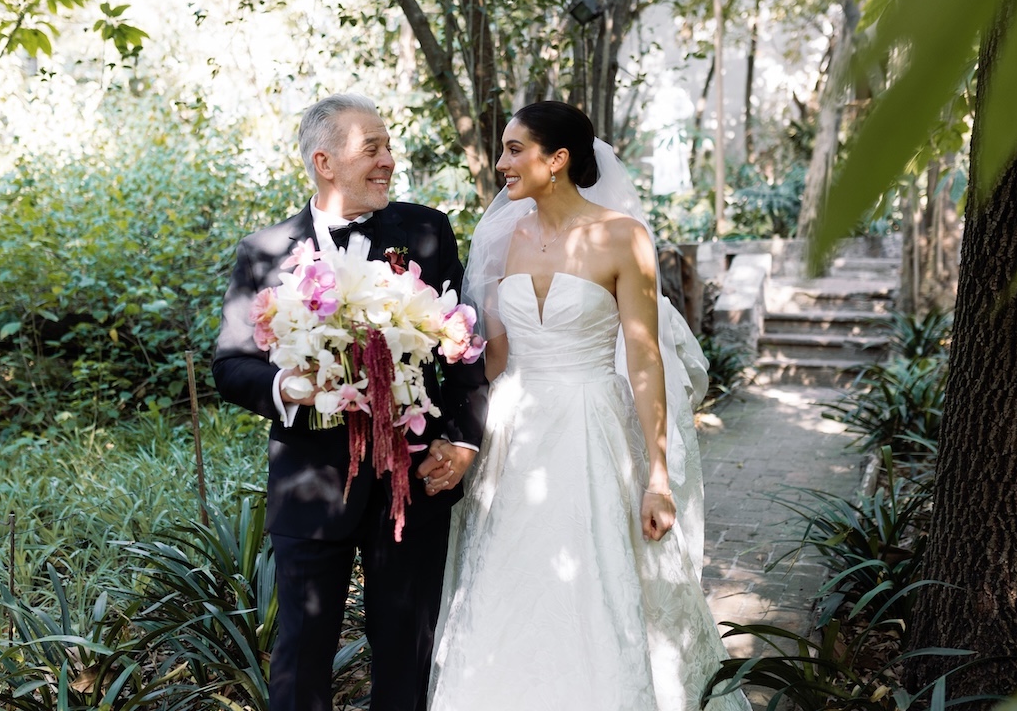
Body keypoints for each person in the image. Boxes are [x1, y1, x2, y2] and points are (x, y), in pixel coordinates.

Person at [428, 101, 751, 711]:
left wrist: (658, 478)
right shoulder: (505, 236)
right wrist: (433, 400)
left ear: (559, 159)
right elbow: (493, 357)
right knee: (511, 579)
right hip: (515, 434)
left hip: (590, 428)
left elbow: (646, 361)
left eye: (515, 149)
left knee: (597, 575)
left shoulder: (623, 237)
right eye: (503, 150)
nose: (503, 164)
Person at [212, 94, 488, 711]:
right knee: (300, 663)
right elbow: (229, 366)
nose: (389, 160)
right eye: (374, 149)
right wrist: (288, 387)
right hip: (311, 481)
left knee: (405, 662)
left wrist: (464, 440)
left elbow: (464, 347)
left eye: (389, 147)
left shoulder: (425, 231)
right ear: (325, 162)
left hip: (414, 479)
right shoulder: (264, 251)